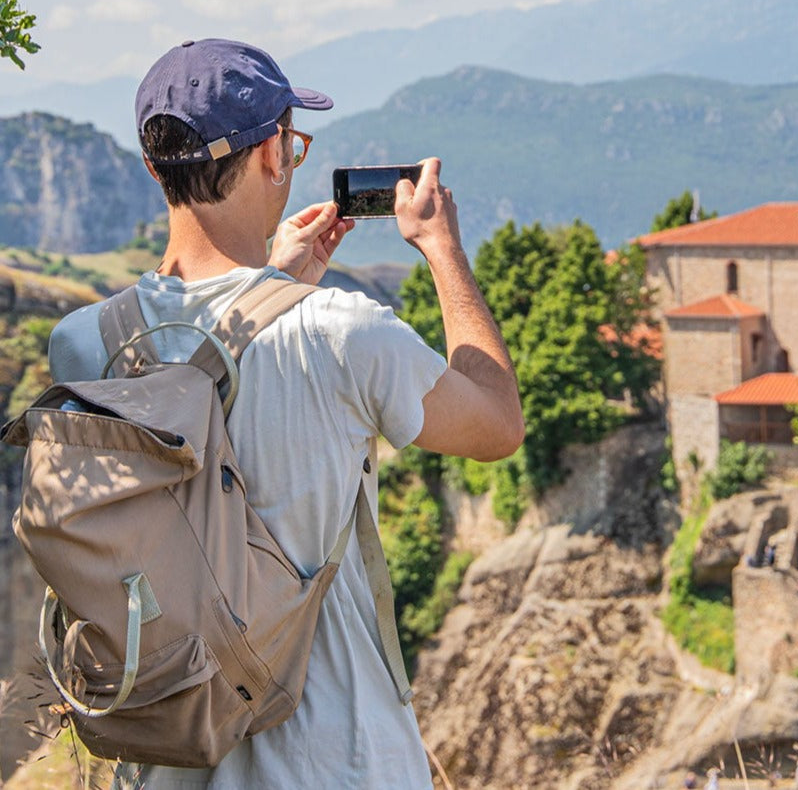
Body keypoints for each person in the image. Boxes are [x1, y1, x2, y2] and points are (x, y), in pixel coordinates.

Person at [49, 39, 523, 790]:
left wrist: (270, 288)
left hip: (166, 761)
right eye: (292, 142)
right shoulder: (342, 331)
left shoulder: (81, 347)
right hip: (339, 761)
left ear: (153, 166)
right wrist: (443, 250)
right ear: (275, 154)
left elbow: (195, 376)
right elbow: (496, 423)